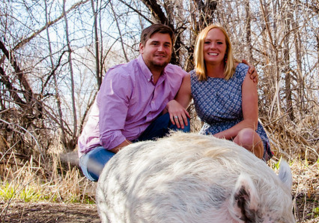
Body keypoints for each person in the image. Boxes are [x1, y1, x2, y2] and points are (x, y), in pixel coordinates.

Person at [78, 24, 258, 181]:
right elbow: (110, 137)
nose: (161, 49)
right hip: (100, 150)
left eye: (166, 45)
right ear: (141, 47)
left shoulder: (175, 75)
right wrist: (148, 160)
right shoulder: (120, 78)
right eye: (154, 44)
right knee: (125, 176)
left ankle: (172, 174)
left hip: (141, 141)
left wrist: (171, 103)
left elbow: (213, 67)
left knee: (179, 118)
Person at [174, 24, 273, 160]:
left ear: (226, 48)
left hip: (241, 134)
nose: (213, 47)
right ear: (200, 47)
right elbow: (175, 116)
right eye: (207, 42)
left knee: (247, 138)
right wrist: (171, 104)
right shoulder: (191, 79)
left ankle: (252, 179)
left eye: (219, 43)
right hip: (210, 138)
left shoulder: (243, 73)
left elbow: (251, 122)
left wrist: (215, 138)